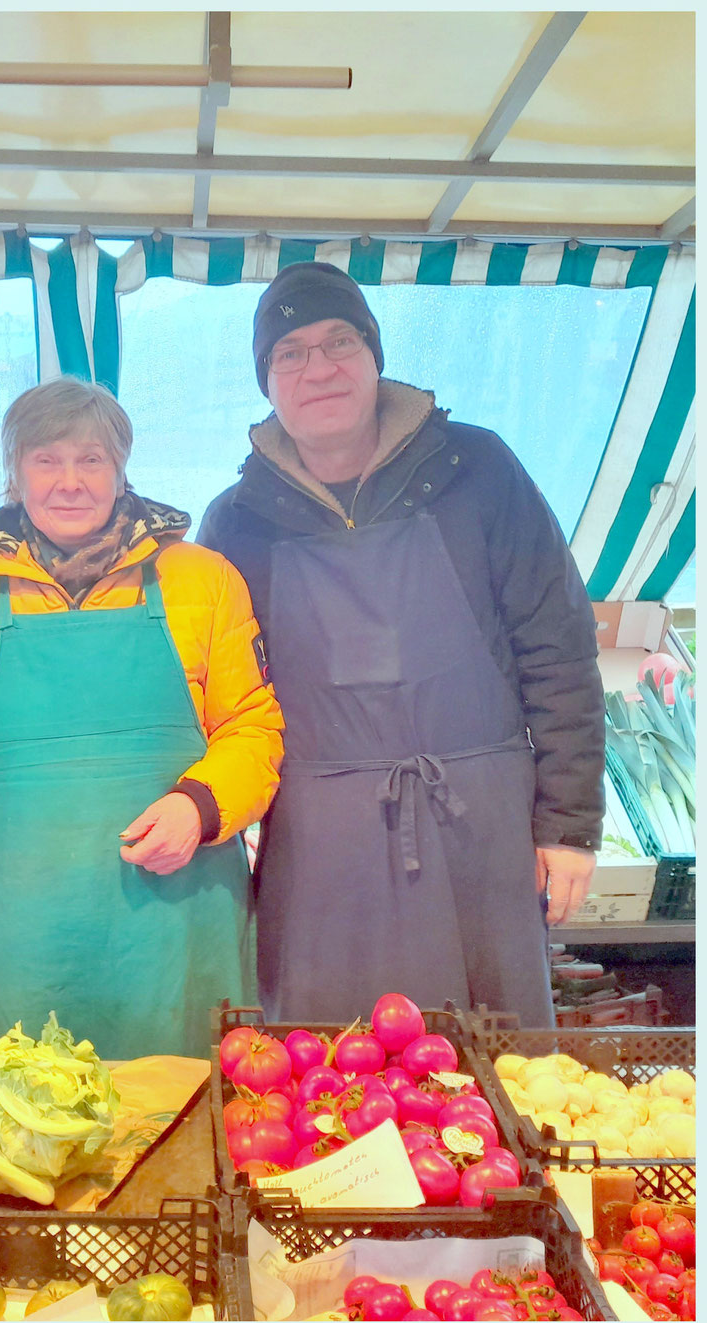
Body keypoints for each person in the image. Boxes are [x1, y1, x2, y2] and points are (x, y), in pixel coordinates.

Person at [197, 262, 603, 1029]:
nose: (318, 367)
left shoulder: (477, 469)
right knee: (330, 1070)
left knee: (491, 1072)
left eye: (339, 341)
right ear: (267, 381)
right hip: (320, 847)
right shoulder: (236, 521)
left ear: (374, 354)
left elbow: (559, 648)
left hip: (480, 830)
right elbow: (224, 702)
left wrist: (569, 825)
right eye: (290, 353)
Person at [0, 376, 282, 1058]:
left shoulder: (200, 577)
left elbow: (253, 726)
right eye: (46, 460)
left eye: (91, 459)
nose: (69, 482)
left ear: (121, 469)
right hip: (23, 925)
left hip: (175, 919)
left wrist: (200, 807)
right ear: (15, 473)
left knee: (184, 1121)